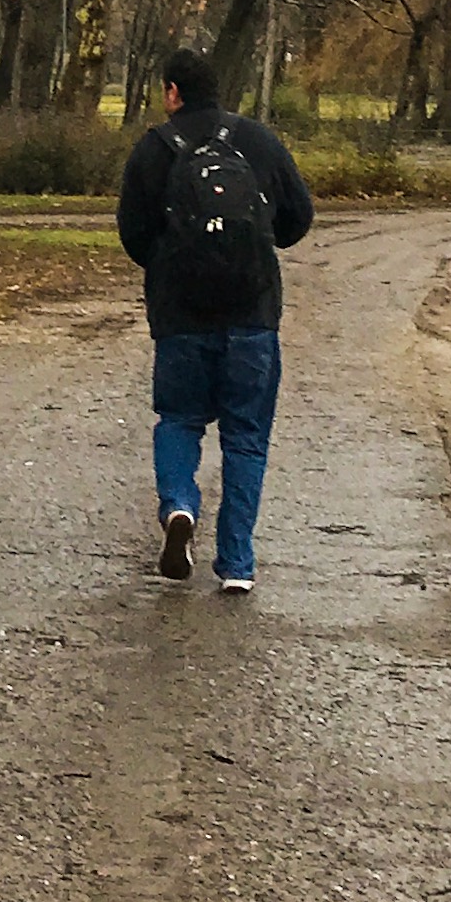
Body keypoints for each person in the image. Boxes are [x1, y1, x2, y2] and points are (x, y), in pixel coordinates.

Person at [114, 44, 314, 593]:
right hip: (252, 315)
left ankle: (180, 506)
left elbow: (133, 234)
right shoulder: (257, 142)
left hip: (181, 318)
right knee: (246, 437)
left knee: (179, 420)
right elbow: (299, 219)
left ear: (173, 93)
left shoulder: (154, 150)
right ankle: (237, 566)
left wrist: (171, 266)